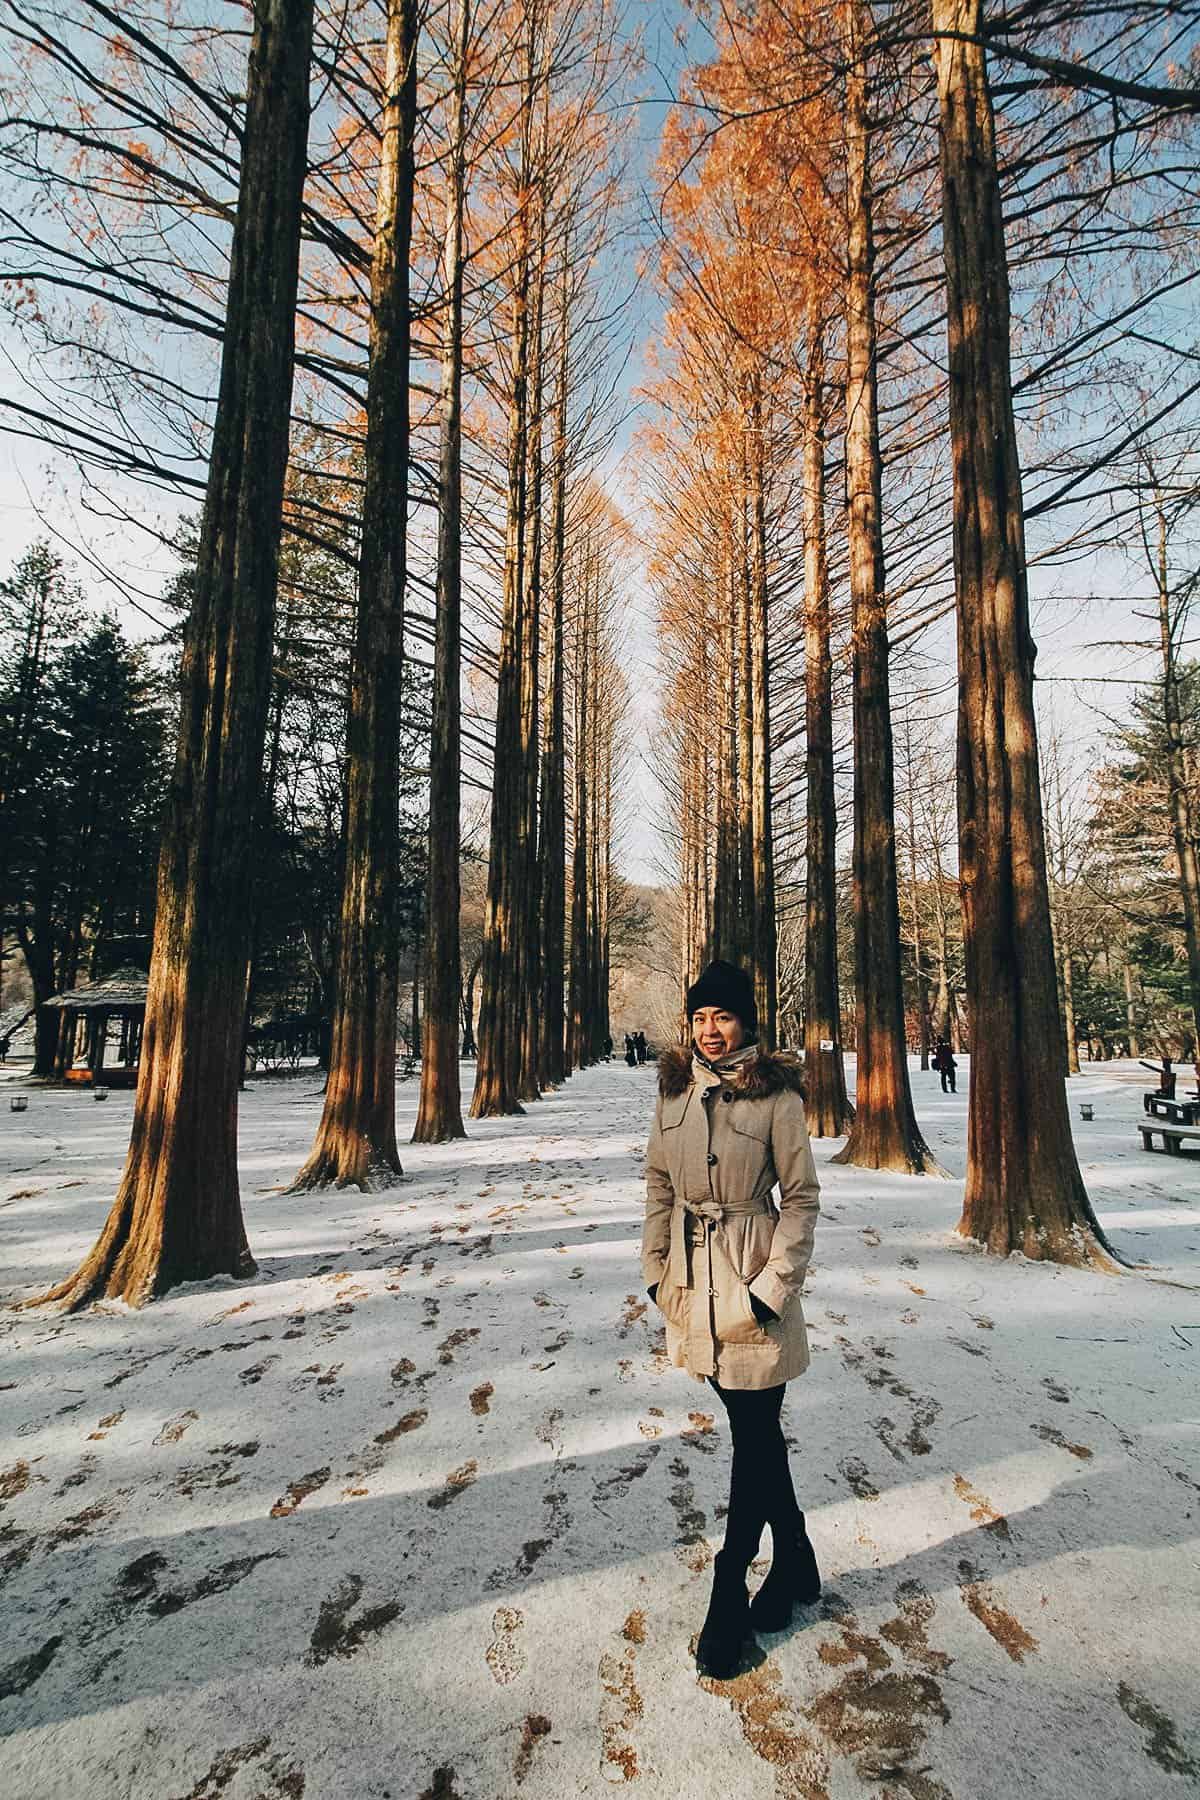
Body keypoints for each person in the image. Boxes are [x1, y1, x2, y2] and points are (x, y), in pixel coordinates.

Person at [642, 958, 821, 1680]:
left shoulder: (778, 1098)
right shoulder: (673, 1091)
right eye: (700, 1019)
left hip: (750, 1285)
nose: (711, 1032)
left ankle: (730, 1583)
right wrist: (655, 1271)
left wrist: (770, 1290)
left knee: (752, 1435)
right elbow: (658, 1182)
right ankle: (798, 1560)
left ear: (746, 1022)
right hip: (689, 1284)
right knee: (754, 1433)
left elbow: (802, 1199)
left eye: (723, 1017)